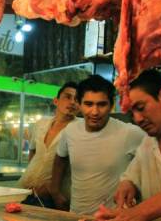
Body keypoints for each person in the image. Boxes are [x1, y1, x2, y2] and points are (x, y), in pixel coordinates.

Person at [95, 71, 161, 221]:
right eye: (132, 114)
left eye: (140, 108)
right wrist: (128, 184)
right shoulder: (147, 142)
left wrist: (139, 212)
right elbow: (131, 175)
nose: (137, 119)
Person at [50, 75, 146, 215]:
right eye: (88, 104)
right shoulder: (70, 131)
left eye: (101, 104)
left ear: (111, 105)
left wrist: (134, 185)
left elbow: (153, 160)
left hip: (113, 217)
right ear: (79, 104)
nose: (95, 112)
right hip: (76, 214)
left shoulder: (130, 133)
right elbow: (60, 158)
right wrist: (55, 191)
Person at [18, 81, 79, 209]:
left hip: (54, 197)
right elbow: (33, 151)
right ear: (56, 101)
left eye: (77, 99)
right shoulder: (41, 124)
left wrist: (57, 193)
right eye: (68, 97)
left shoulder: (79, 129)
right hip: (25, 191)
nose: (72, 102)